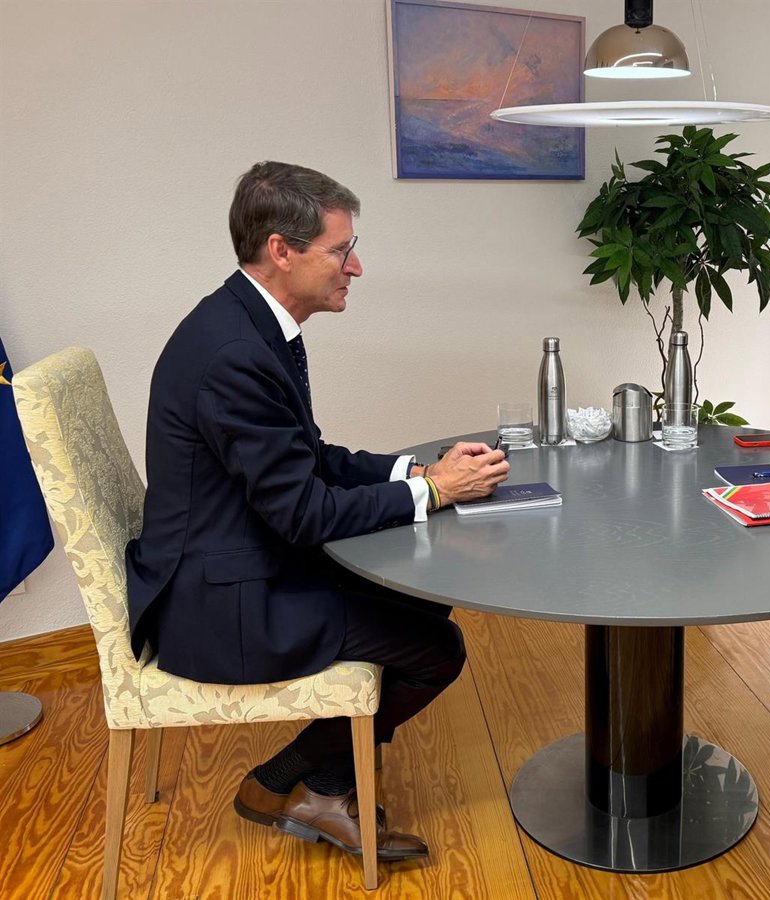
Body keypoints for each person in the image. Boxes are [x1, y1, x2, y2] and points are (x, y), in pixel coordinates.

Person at [125, 161, 510, 859]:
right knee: (437, 651)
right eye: (340, 250)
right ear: (281, 250)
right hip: (218, 606)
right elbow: (302, 514)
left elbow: (306, 455)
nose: (355, 267)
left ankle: (326, 780)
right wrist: (436, 493)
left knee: (424, 597)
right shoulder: (234, 353)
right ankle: (289, 784)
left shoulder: (247, 323)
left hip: (232, 559)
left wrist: (416, 472)